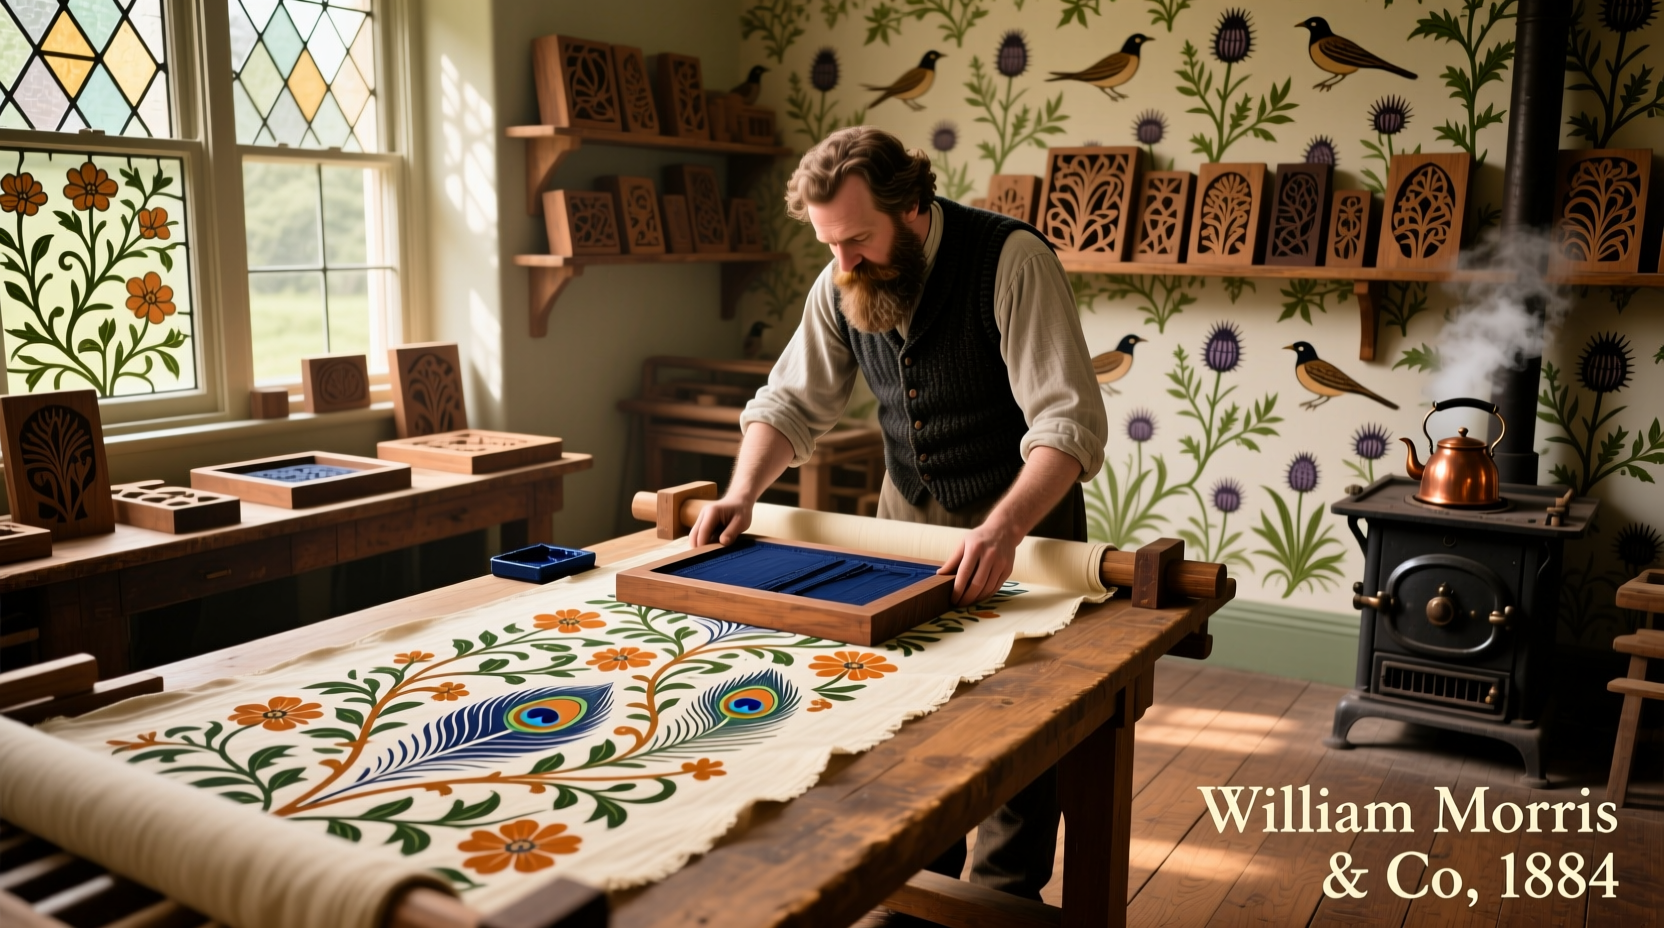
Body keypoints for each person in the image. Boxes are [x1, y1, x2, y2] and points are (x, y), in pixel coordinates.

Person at [691, 126, 1106, 917]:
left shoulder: (1012, 261)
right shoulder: (841, 273)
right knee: (908, 719)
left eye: (856, 240)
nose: (842, 262)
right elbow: (790, 401)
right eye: (828, 243)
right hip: (906, 524)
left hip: (1022, 523)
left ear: (913, 208)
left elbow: (1068, 425)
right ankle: (912, 889)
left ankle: (999, 902)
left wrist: (1006, 527)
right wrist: (743, 489)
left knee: (1018, 728)